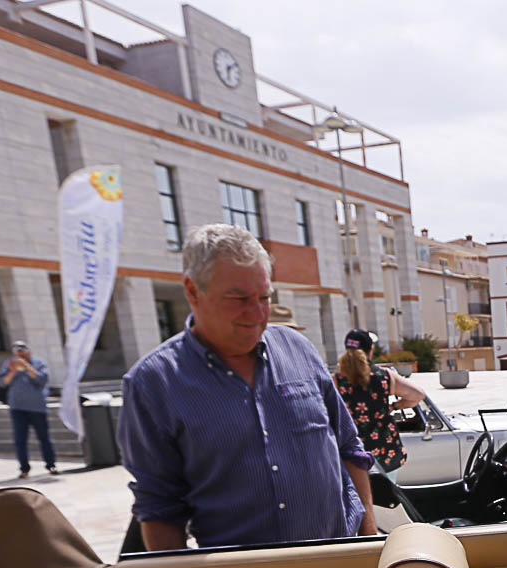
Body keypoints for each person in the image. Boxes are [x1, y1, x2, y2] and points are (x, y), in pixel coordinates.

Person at [117, 223, 378, 550]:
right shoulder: (153, 383)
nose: (256, 314)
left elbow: (350, 448)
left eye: (264, 297)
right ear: (192, 291)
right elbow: (159, 509)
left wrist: (370, 544)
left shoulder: (299, 349)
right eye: (238, 298)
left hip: (339, 567)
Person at [334, 329, 428, 473]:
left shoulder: (336, 380)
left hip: (351, 455)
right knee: (386, 494)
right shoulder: (383, 376)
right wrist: (394, 406)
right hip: (384, 454)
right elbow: (418, 395)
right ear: (371, 350)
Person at [0, 340, 57, 478]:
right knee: (20, 440)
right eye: (17, 351)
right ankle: (24, 468)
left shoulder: (38, 363)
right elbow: (2, 383)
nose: (20, 353)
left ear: (28, 351)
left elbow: (42, 380)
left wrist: (27, 367)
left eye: (22, 350)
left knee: (44, 437)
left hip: (37, 407)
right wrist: (12, 371)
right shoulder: (9, 364)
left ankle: (51, 464)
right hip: (17, 407)